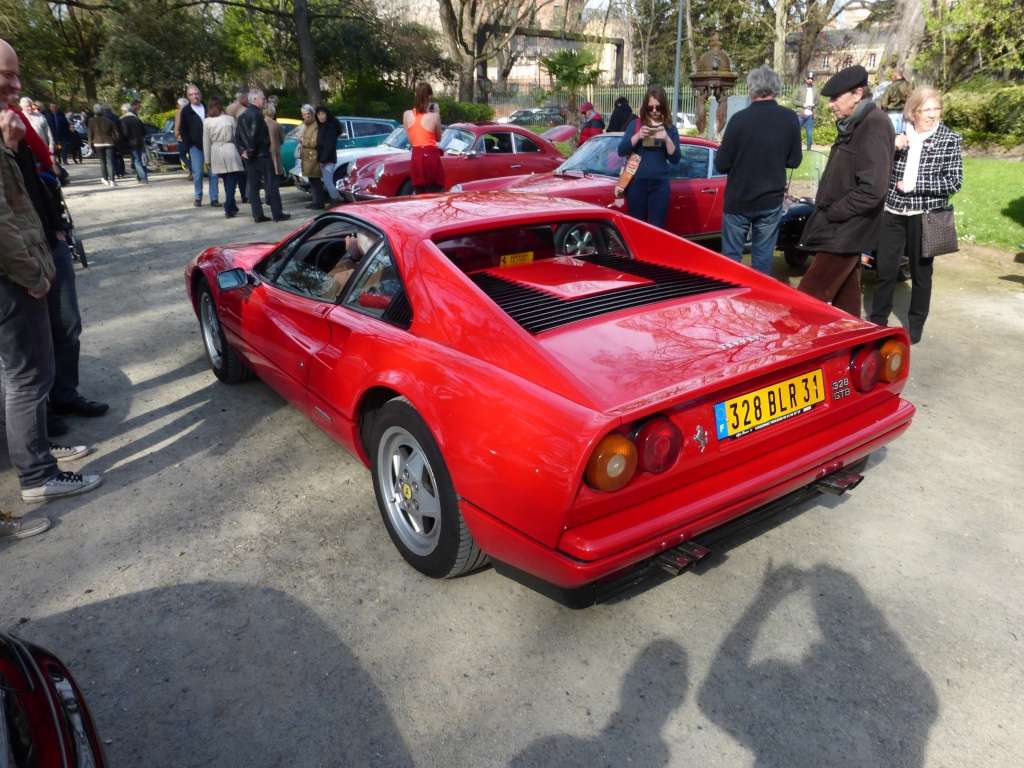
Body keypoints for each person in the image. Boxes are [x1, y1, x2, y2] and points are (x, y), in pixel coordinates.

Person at [0, 39, 101, 539]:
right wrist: (34, 275)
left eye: (17, 75)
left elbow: (34, 192)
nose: (17, 85)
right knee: (25, 376)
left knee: (35, 372)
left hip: (30, 261)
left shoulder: (8, 127)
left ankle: (39, 449)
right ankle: (38, 475)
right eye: (6, 75)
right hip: (15, 276)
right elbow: (3, 220)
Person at [796, 65, 894, 317]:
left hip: (846, 229)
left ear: (858, 93)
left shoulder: (874, 125)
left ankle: (786, 349)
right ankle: (851, 351)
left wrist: (834, 213)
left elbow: (873, 189)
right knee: (846, 304)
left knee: (806, 301)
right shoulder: (855, 122)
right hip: (842, 227)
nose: (830, 105)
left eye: (835, 98)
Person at [868, 87, 962, 344]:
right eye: (926, 110)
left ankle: (916, 325)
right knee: (885, 269)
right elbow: (879, 167)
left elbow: (954, 182)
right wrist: (891, 145)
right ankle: (878, 322)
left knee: (921, 273)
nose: (932, 115)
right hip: (893, 211)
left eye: (936, 109)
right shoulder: (900, 136)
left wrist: (916, 185)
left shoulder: (949, 139)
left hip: (925, 215)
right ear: (913, 112)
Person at [715, 65, 802, 275]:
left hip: (739, 200)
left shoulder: (738, 120)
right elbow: (794, 161)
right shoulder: (789, 118)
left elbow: (721, 164)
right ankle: (759, 302)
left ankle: (732, 300)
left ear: (751, 89)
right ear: (776, 88)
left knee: (731, 260)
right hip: (770, 200)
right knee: (763, 261)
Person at [616, 85, 680, 228]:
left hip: (659, 186)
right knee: (637, 227)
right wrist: (638, 136)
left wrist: (666, 139)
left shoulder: (670, 128)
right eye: (651, 108)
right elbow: (621, 150)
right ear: (646, 107)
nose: (654, 111)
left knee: (657, 229)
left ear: (664, 107)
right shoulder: (636, 125)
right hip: (637, 184)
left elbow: (675, 159)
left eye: (658, 107)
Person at [235, 88, 289, 223]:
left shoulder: (241, 116)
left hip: (250, 157)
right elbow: (256, 136)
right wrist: (250, 149)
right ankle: (277, 213)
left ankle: (258, 215)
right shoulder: (258, 115)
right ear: (254, 100)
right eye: (263, 98)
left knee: (253, 186)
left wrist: (243, 151)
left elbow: (237, 137)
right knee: (271, 185)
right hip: (261, 155)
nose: (264, 100)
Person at [203, 97, 245, 219]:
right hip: (230, 148)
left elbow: (206, 141)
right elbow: (237, 136)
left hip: (216, 151)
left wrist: (207, 160)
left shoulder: (206, 122)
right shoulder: (230, 119)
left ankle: (231, 206)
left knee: (227, 181)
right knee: (232, 180)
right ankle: (229, 205)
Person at [180, 84, 217, 206]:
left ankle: (214, 198)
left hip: (211, 145)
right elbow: (183, 130)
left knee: (214, 173)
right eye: (191, 94)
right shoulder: (186, 111)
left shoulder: (208, 107)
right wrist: (188, 144)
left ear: (200, 94)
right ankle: (198, 197)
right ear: (188, 96)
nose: (194, 96)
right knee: (198, 173)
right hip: (195, 146)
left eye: (196, 93)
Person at [403, 83, 443, 194]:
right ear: (429, 97)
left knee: (419, 190)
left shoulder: (406, 114)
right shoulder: (434, 116)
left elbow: (411, 141)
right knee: (434, 191)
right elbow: (439, 138)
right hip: (431, 156)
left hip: (416, 155)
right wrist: (437, 113)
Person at [313, 104, 342, 201]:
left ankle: (336, 200)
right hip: (324, 158)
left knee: (328, 181)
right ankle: (334, 199)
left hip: (328, 159)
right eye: (318, 114)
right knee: (326, 181)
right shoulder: (322, 126)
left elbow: (329, 145)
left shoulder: (330, 127)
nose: (320, 116)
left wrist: (323, 160)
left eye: (322, 114)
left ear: (327, 114)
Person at [298, 104, 324, 209]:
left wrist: (303, 141)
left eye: (305, 114)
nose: (304, 117)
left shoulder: (315, 126)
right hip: (308, 157)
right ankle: (315, 201)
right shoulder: (306, 126)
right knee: (312, 180)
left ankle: (319, 202)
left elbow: (315, 142)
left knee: (316, 180)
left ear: (311, 114)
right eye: (303, 115)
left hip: (313, 157)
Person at [87, 103, 119, 187]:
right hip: (109, 143)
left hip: (97, 143)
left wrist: (90, 144)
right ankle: (112, 180)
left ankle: (105, 179)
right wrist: (114, 141)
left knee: (102, 162)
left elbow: (90, 133)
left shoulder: (91, 121)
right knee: (110, 162)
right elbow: (116, 134)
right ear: (103, 111)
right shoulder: (109, 121)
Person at [119, 102, 148, 183]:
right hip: (140, 141)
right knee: (142, 160)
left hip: (131, 143)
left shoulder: (123, 119)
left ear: (124, 111)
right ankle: (141, 176)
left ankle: (143, 178)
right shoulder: (136, 118)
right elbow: (144, 130)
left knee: (136, 160)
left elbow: (125, 133)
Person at [878, 68, 912, 133]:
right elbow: (911, 100)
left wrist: (884, 111)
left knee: (890, 137)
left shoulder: (891, 87)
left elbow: (883, 103)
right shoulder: (908, 86)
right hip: (904, 116)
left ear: (895, 76)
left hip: (892, 114)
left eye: (892, 75)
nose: (892, 77)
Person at [264, 100, 286, 179]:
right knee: (274, 180)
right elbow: (282, 140)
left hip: (264, 154)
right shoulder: (277, 125)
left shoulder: (260, 123)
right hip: (275, 154)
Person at [797, 73, 816, 151]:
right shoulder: (800, 89)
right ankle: (795, 147)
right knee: (796, 131)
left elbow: (818, 101)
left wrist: (814, 105)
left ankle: (809, 149)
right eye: (809, 78)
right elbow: (793, 100)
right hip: (801, 113)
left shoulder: (815, 89)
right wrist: (802, 104)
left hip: (810, 114)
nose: (810, 80)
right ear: (806, 79)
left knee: (809, 133)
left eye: (811, 78)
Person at [173, 97, 190, 175]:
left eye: (178, 104)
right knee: (191, 155)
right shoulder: (190, 111)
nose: (177, 105)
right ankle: (193, 171)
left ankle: (193, 169)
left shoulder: (178, 112)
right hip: (191, 136)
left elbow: (177, 125)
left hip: (182, 137)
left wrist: (176, 133)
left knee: (182, 155)